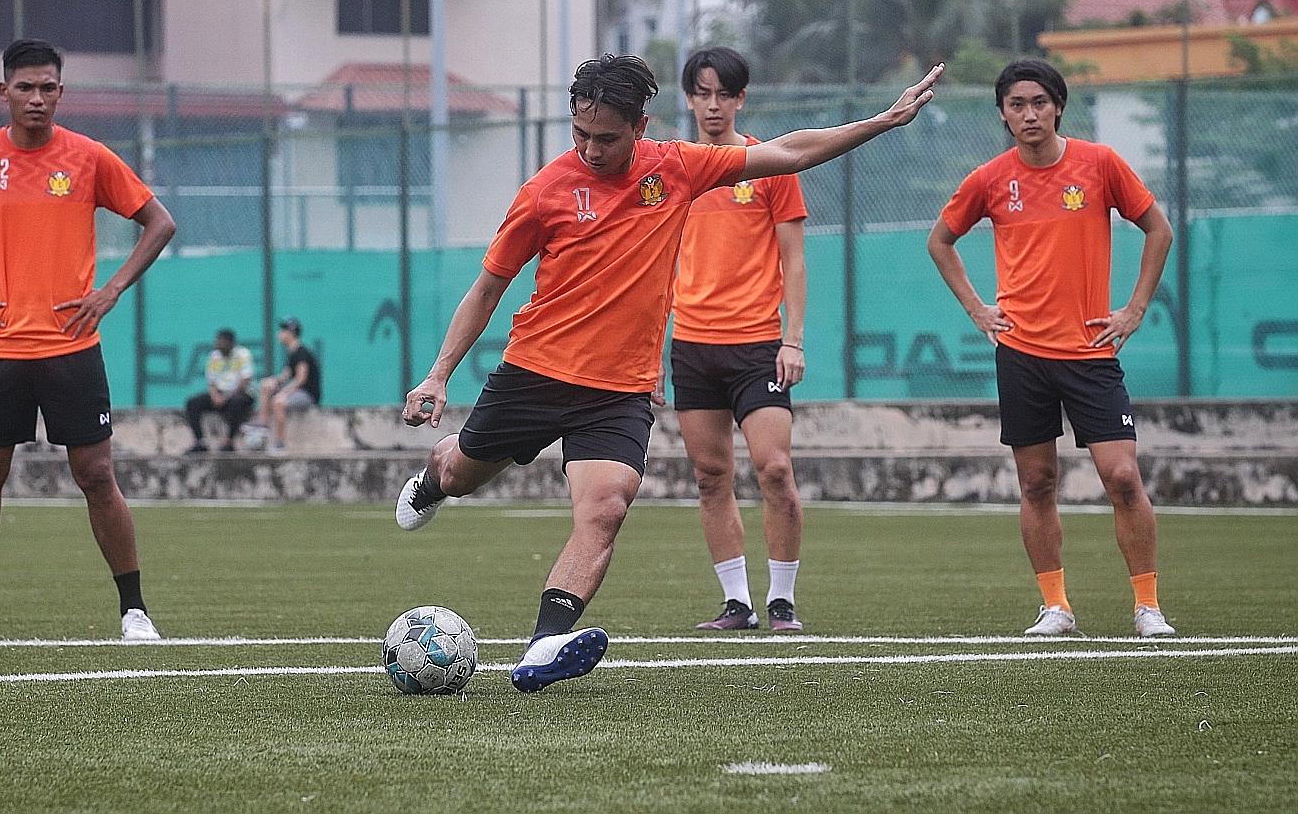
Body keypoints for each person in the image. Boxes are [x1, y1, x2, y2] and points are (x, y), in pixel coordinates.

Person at [396, 54, 943, 692]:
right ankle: (436, 478)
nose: (592, 150)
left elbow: (788, 153)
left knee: (604, 507)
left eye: (607, 138)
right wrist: (437, 376)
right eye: (581, 135)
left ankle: (545, 645)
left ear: (641, 126)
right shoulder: (545, 192)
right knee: (461, 473)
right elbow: (487, 289)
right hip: (535, 372)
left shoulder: (676, 167)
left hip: (619, 389)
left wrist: (881, 121)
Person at [0, 38, 177, 643]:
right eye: (25, 87)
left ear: (61, 93)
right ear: (3, 92)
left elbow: (159, 221)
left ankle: (134, 612)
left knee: (97, 475)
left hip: (73, 348)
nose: (37, 98)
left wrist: (112, 289)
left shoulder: (89, 158)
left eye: (48, 87)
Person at [926, 57, 1176, 638]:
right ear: (1003, 115)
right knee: (1036, 482)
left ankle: (1148, 607)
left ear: (1058, 106)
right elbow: (940, 241)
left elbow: (1159, 229)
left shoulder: (1101, 164)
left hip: (1090, 353)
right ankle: (1056, 607)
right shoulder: (990, 178)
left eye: (1040, 102)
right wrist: (977, 310)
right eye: (1017, 105)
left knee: (1122, 477)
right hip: (1022, 354)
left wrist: (1134, 310)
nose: (1029, 114)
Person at [662, 47, 809, 633]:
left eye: (725, 93)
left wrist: (792, 340)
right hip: (692, 346)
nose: (714, 104)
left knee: (775, 469)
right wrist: (650, 357)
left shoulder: (767, 164)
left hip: (757, 346)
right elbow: (656, 267)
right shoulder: (672, 173)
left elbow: (794, 260)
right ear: (690, 98)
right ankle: (737, 603)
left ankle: (782, 601)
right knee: (709, 478)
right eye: (703, 93)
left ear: (742, 98)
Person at [253, 317, 322, 452]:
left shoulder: (302, 352)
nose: (279, 334)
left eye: (283, 331)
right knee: (267, 385)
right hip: (296, 392)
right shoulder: (291, 353)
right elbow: (284, 376)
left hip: (308, 395)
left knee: (279, 402)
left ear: (291, 333)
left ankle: (280, 443)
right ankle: (263, 425)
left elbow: (301, 379)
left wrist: (284, 392)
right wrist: (273, 382)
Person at [184, 328, 256, 452]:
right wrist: (215, 396)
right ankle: (201, 442)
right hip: (219, 394)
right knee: (193, 403)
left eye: (221, 341)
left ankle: (229, 442)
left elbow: (245, 380)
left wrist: (226, 397)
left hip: (239, 393)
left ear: (231, 343)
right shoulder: (214, 356)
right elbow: (211, 382)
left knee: (236, 403)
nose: (217, 344)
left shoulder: (242, 354)